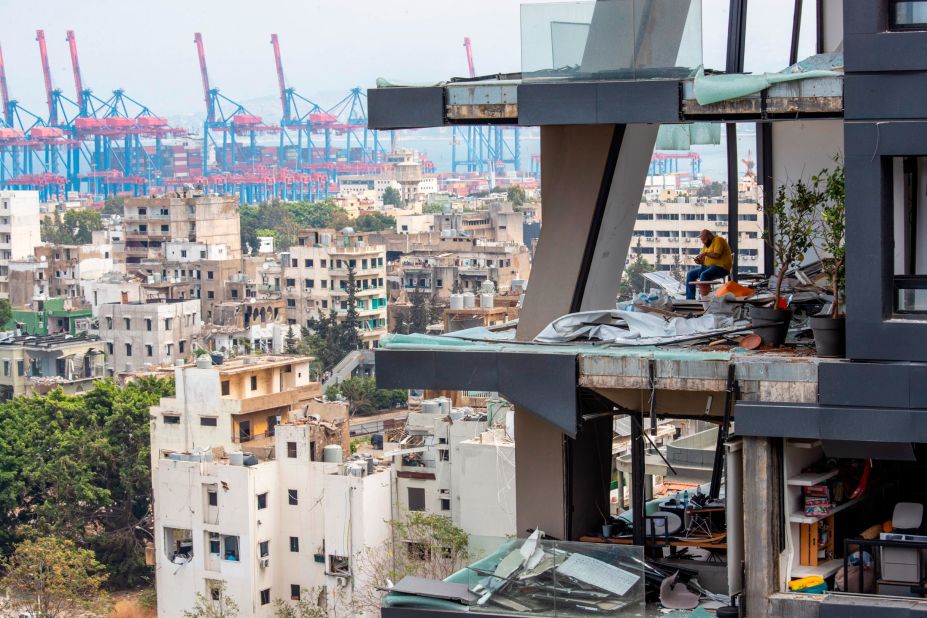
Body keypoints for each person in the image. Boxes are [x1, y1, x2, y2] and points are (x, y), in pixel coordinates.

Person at [685, 229, 733, 299]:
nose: (703, 242)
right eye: (702, 240)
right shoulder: (706, 245)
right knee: (690, 274)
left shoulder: (718, 240)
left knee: (704, 275)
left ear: (710, 236)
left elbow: (717, 255)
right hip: (707, 267)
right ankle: (690, 299)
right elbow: (704, 261)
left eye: (704, 239)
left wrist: (705, 253)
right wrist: (699, 261)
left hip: (721, 268)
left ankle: (705, 299)